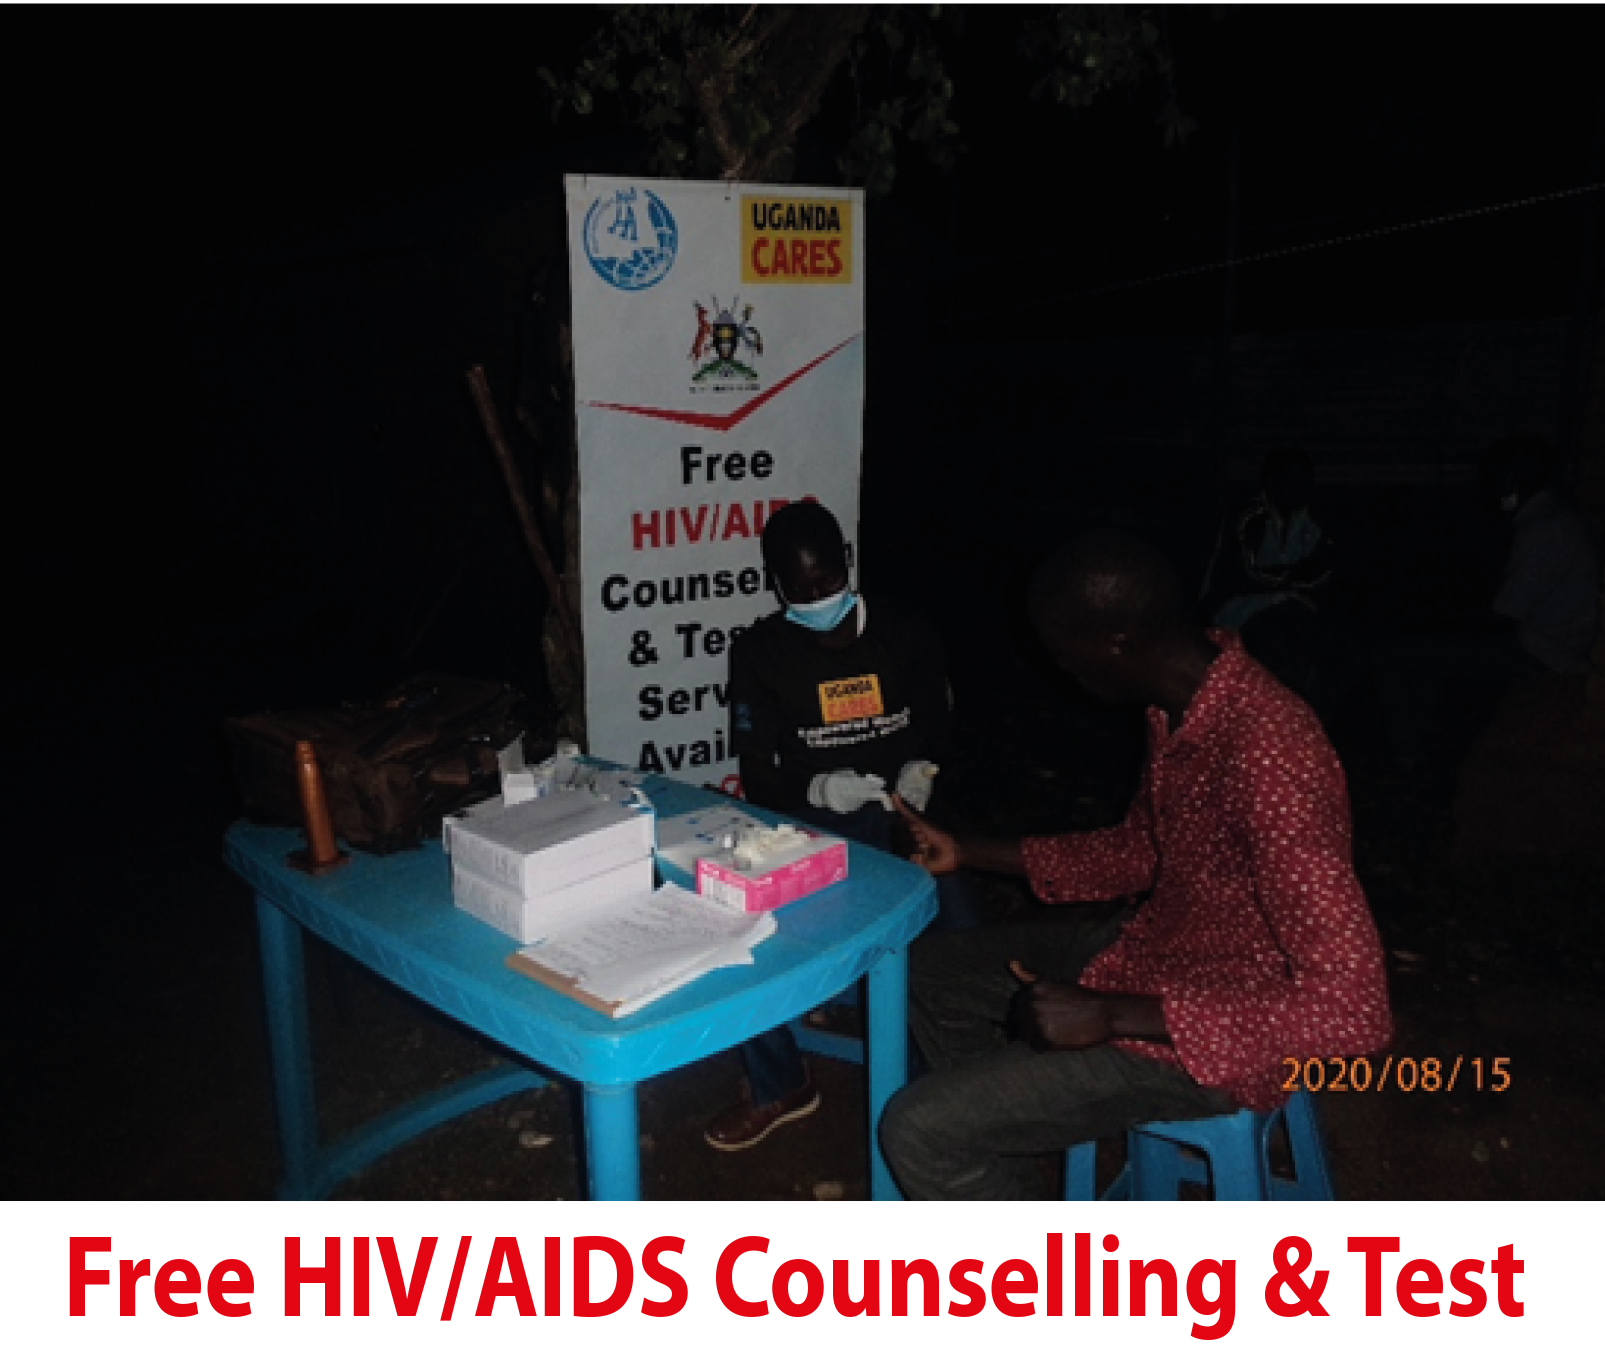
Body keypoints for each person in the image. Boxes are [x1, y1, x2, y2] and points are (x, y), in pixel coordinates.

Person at [880, 526, 1392, 1199]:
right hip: (1161, 948)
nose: (1060, 672)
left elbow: (1353, 1011)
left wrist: (1110, 1015)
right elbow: (1141, 851)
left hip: (1214, 1041)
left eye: (1065, 656)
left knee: (916, 1129)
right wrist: (969, 850)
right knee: (925, 974)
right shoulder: (1183, 707)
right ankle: (1003, 1147)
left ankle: (986, 1158)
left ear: (1115, 644)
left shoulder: (1269, 759)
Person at [704, 500, 976, 1152]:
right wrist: (817, 789)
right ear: (775, 584)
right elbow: (757, 770)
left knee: (960, 948)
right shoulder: (761, 651)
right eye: (798, 590)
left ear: (846, 563)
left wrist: (923, 771)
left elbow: (940, 727)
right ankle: (779, 1083)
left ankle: (936, 1096)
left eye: (826, 581)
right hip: (813, 822)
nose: (815, 599)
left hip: (905, 812)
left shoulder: (904, 628)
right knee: (744, 934)